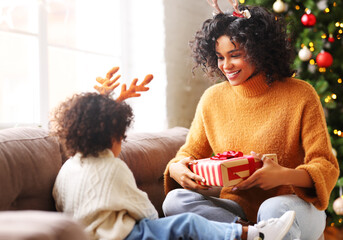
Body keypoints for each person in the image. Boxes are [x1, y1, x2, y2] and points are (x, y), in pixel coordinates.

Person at [162, 4, 339, 240]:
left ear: (259, 51)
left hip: (294, 207)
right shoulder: (212, 99)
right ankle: (248, 232)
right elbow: (189, 153)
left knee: (272, 210)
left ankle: (255, 231)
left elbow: (326, 165)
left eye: (235, 55)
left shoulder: (301, 94)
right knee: (175, 200)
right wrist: (176, 168)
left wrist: (283, 175)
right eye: (219, 57)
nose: (226, 66)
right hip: (238, 211)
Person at [50, 90, 296, 240]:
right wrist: (155, 224)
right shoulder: (111, 167)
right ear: (112, 137)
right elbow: (143, 209)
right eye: (121, 137)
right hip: (125, 236)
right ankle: (255, 234)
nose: (121, 144)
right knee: (186, 223)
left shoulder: (67, 169)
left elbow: (62, 202)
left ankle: (248, 232)